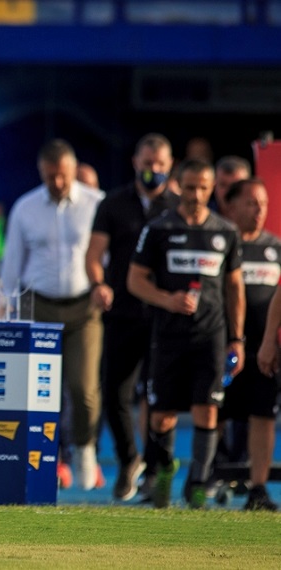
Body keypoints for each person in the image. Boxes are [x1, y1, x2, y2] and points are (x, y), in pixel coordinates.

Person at [128, 159, 245, 509]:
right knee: (162, 414)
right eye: (190, 187)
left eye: (203, 188)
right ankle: (163, 472)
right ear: (179, 186)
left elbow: (234, 288)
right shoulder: (159, 228)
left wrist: (237, 337)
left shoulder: (225, 232)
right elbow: (135, 280)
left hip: (210, 335)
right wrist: (167, 299)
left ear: (212, 189)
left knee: (206, 410)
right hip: (168, 336)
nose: (196, 195)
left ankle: (197, 482)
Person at [1, 139, 104, 491]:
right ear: (41, 173)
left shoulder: (95, 204)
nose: (57, 183)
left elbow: (107, 255)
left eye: (62, 176)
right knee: (42, 390)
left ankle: (85, 448)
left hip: (83, 307)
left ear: (74, 170)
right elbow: (12, 263)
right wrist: (6, 309)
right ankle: (49, 457)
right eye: (50, 177)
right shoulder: (25, 208)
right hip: (38, 306)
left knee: (83, 386)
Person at [85, 133, 178, 501]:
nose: (153, 169)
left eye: (159, 164)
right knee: (113, 393)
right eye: (147, 162)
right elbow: (94, 254)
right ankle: (129, 459)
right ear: (135, 162)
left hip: (165, 317)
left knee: (159, 397)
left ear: (168, 166)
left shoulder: (177, 207)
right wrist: (98, 283)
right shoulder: (114, 203)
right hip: (122, 311)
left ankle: (156, 470)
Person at [221, 178, 280, 511]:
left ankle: (257, 488)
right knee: (214, 410)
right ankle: (202, 477)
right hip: (225, 346)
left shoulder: (275, 247)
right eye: (251, 203)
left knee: (263, 414)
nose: (258, 211)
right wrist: (229, 339)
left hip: (264, 349)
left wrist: (271, 341)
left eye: (263, 204)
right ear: (232, 206)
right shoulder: (222, 242)